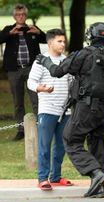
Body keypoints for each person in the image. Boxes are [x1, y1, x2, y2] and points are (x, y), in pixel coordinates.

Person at [35, 22, 104, 198]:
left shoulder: (84, 54)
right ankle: (99, 188)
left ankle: (95, 173)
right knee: (97, 142)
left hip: (86, 107)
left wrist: (45, 61)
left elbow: (58, 71)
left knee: (70, 139)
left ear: (91, 36)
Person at [27, 29, 73, 191]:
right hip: (47, 110)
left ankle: (55, 177)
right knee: (45, 145)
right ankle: (42, 178)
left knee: (61, 146)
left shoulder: (66, 61)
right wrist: (41, 88)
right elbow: (30, 82)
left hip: (65, 111)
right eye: (59, 41)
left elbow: (71, 82)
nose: (63, 44)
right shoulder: (41, 61)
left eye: (63, 41)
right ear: (50, 43)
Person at [0, 4, 46, 141]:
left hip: (32, 69)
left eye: (23, 14)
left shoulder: (32, 29)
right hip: (14, 70)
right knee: (18, 102)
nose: (20, 17)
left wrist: (39, 33)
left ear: (26, 16)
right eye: (18, 15)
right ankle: (21, 130)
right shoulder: (9, 29)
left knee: (36, 99)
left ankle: (40, 127)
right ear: (14, 16)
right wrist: (9, 33)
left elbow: (47, 40)